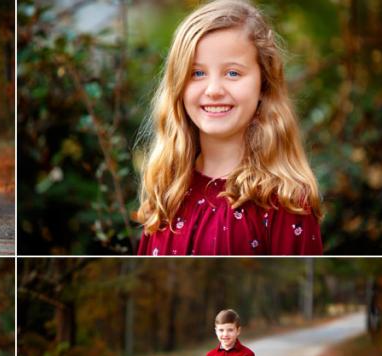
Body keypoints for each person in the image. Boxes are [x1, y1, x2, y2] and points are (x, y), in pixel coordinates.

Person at [135, 0, 323, 255]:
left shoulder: (284, 201)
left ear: (263, 85)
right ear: (178, 85)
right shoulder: (167, 191)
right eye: (197, 73)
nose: (213, 90)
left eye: (233, 73)